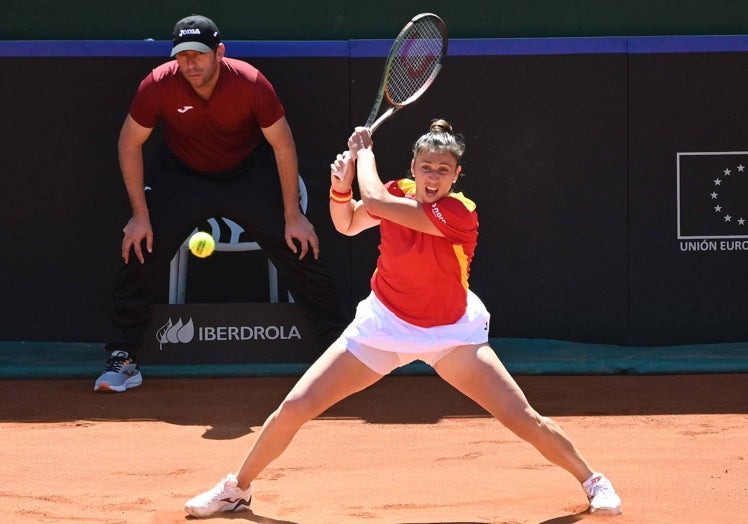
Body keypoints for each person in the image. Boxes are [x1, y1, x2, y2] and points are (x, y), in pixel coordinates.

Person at [183, 119, 623, 517]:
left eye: (443, 169)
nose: (433, 177)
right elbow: (349, 223)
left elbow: (373, 198)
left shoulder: (460, 213)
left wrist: (365, 153)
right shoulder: (397, 191)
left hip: (451, 334)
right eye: (426, 167)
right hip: (383, 327)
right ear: (413, 166)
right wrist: (341, 185)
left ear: (457, 175)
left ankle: (592, 480)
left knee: (522, 417)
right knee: (294, 407)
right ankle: (236, 489)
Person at [94, 14, 347, 393]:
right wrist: (139, 215)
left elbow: (283, 143)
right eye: (181, 56)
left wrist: (293, 215)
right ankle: (123, 358)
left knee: (299, 242)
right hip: (181, 176)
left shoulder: (251, 83)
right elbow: (128, 143)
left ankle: (336, 349)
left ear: (219, 52)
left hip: (247, 173)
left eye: (198, 54)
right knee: (139, 245)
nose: (189, 64)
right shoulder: (158, 85)